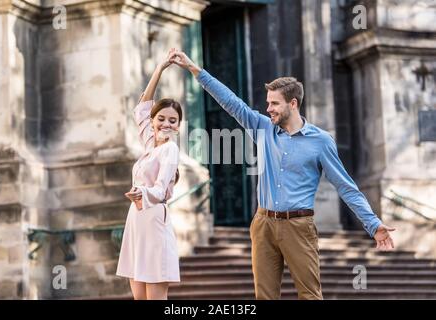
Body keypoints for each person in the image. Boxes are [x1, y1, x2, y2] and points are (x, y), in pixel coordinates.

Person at [169, 49, 396, 300]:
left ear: (293, 103)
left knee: (310, 295)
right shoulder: (264, 129)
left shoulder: (320, 142)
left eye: (274, 103)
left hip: (298, 226)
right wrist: (194, 69)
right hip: (263, 223)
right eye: (268, 103)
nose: (269, 109)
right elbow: (232, 102)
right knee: (264, 297)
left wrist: (373, 224)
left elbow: (346, 187)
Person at [116, 49, 181, 300]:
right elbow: (143, 105)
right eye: (162, 118)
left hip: (153, 218)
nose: (167, 124)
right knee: (138, 295)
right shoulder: (148, 144)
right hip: (135, 220)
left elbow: (161, 189)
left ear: (178, 126)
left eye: (173, 121)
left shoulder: (170, 149)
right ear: (153, 121)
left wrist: (140, 192)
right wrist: (161, 68)